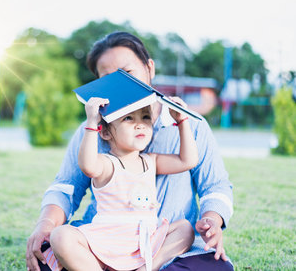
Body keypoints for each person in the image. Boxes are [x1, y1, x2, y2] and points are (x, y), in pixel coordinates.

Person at [26, 32, 234, 271]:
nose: (122, 85)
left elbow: (215, 185)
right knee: (48, 255)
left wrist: (213, 220)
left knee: (215, 267)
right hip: (105, 243)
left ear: (149, 68)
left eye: (128, 73)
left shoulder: (191, 126)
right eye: (110, 79)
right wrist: (46, 223)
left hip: (164, 246)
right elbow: (66, 186)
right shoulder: (94, 130)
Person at [47, 96, 197, 271]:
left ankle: (147, 268)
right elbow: (87, 166)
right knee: (60, 236)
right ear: (105, 132)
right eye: (128, 118)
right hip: (107, 242)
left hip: (144, 243)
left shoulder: (151, 161)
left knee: (185, 229)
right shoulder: (107, 163)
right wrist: (91, 124)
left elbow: (188, 160)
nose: (140, 124)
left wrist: (182, 121)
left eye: (145, 117)